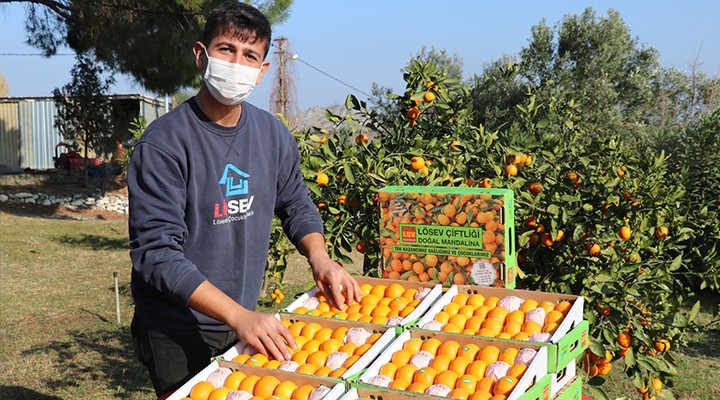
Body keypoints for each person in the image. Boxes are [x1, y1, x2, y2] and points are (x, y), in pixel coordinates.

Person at [127, 2, 361, 396]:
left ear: (262, 70)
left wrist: (320, 258)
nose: (237, 62)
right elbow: (157, 253)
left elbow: (296, 203)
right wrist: (240, 316)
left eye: (249, 55)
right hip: (176, 327)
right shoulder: (165, 143)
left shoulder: (273, 135)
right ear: (201, 55)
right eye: (226, 50)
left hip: (242, 319)